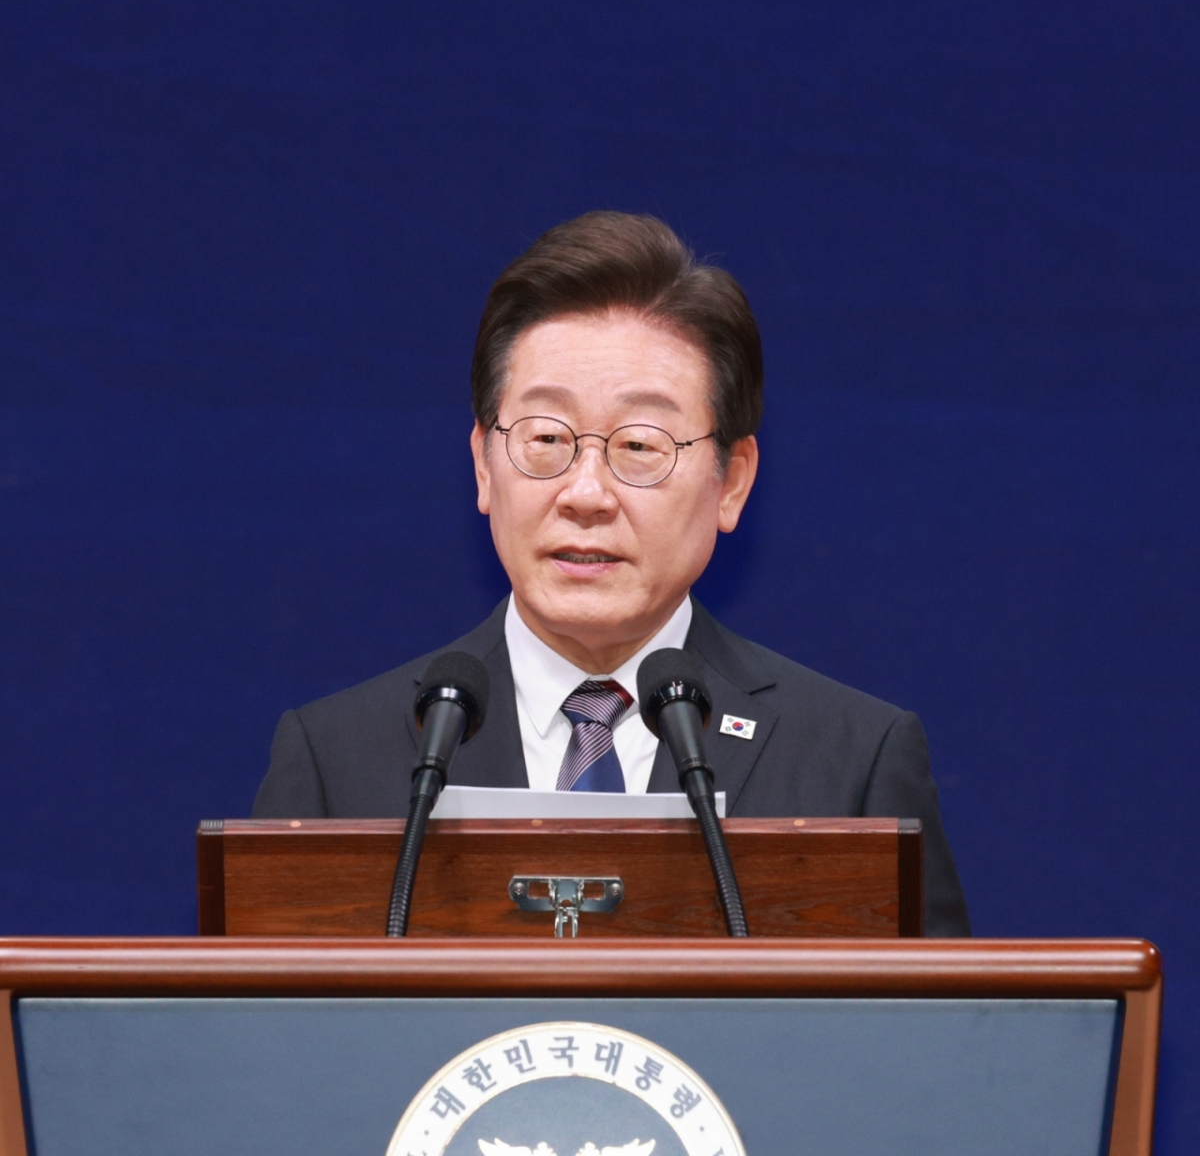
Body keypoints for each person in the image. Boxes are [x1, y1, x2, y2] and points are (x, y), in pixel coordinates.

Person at [254, 211, 970, 935]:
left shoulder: (853, 763)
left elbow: (941, 1012)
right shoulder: (335, 762)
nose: (586, 493)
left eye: (639, 444)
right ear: (483, 464)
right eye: (546, 437)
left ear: (731, 482)